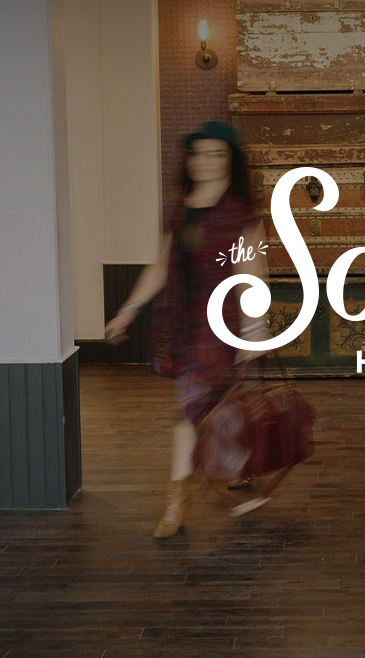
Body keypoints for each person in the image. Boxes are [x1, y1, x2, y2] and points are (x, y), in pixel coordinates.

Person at [105, 120, 271, 537]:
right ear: (189, 160)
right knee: (215, 406)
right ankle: (240, 471)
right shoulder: (180, 210)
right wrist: (128, 310)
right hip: (183, 327)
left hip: (223, 325)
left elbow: (253, 273)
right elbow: (161, 266)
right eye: (199, 153)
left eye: (217, 153)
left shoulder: (241, 215)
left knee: (188, 410)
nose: (206, 162)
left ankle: (176, 503)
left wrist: (254, 330)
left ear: (231, 161)